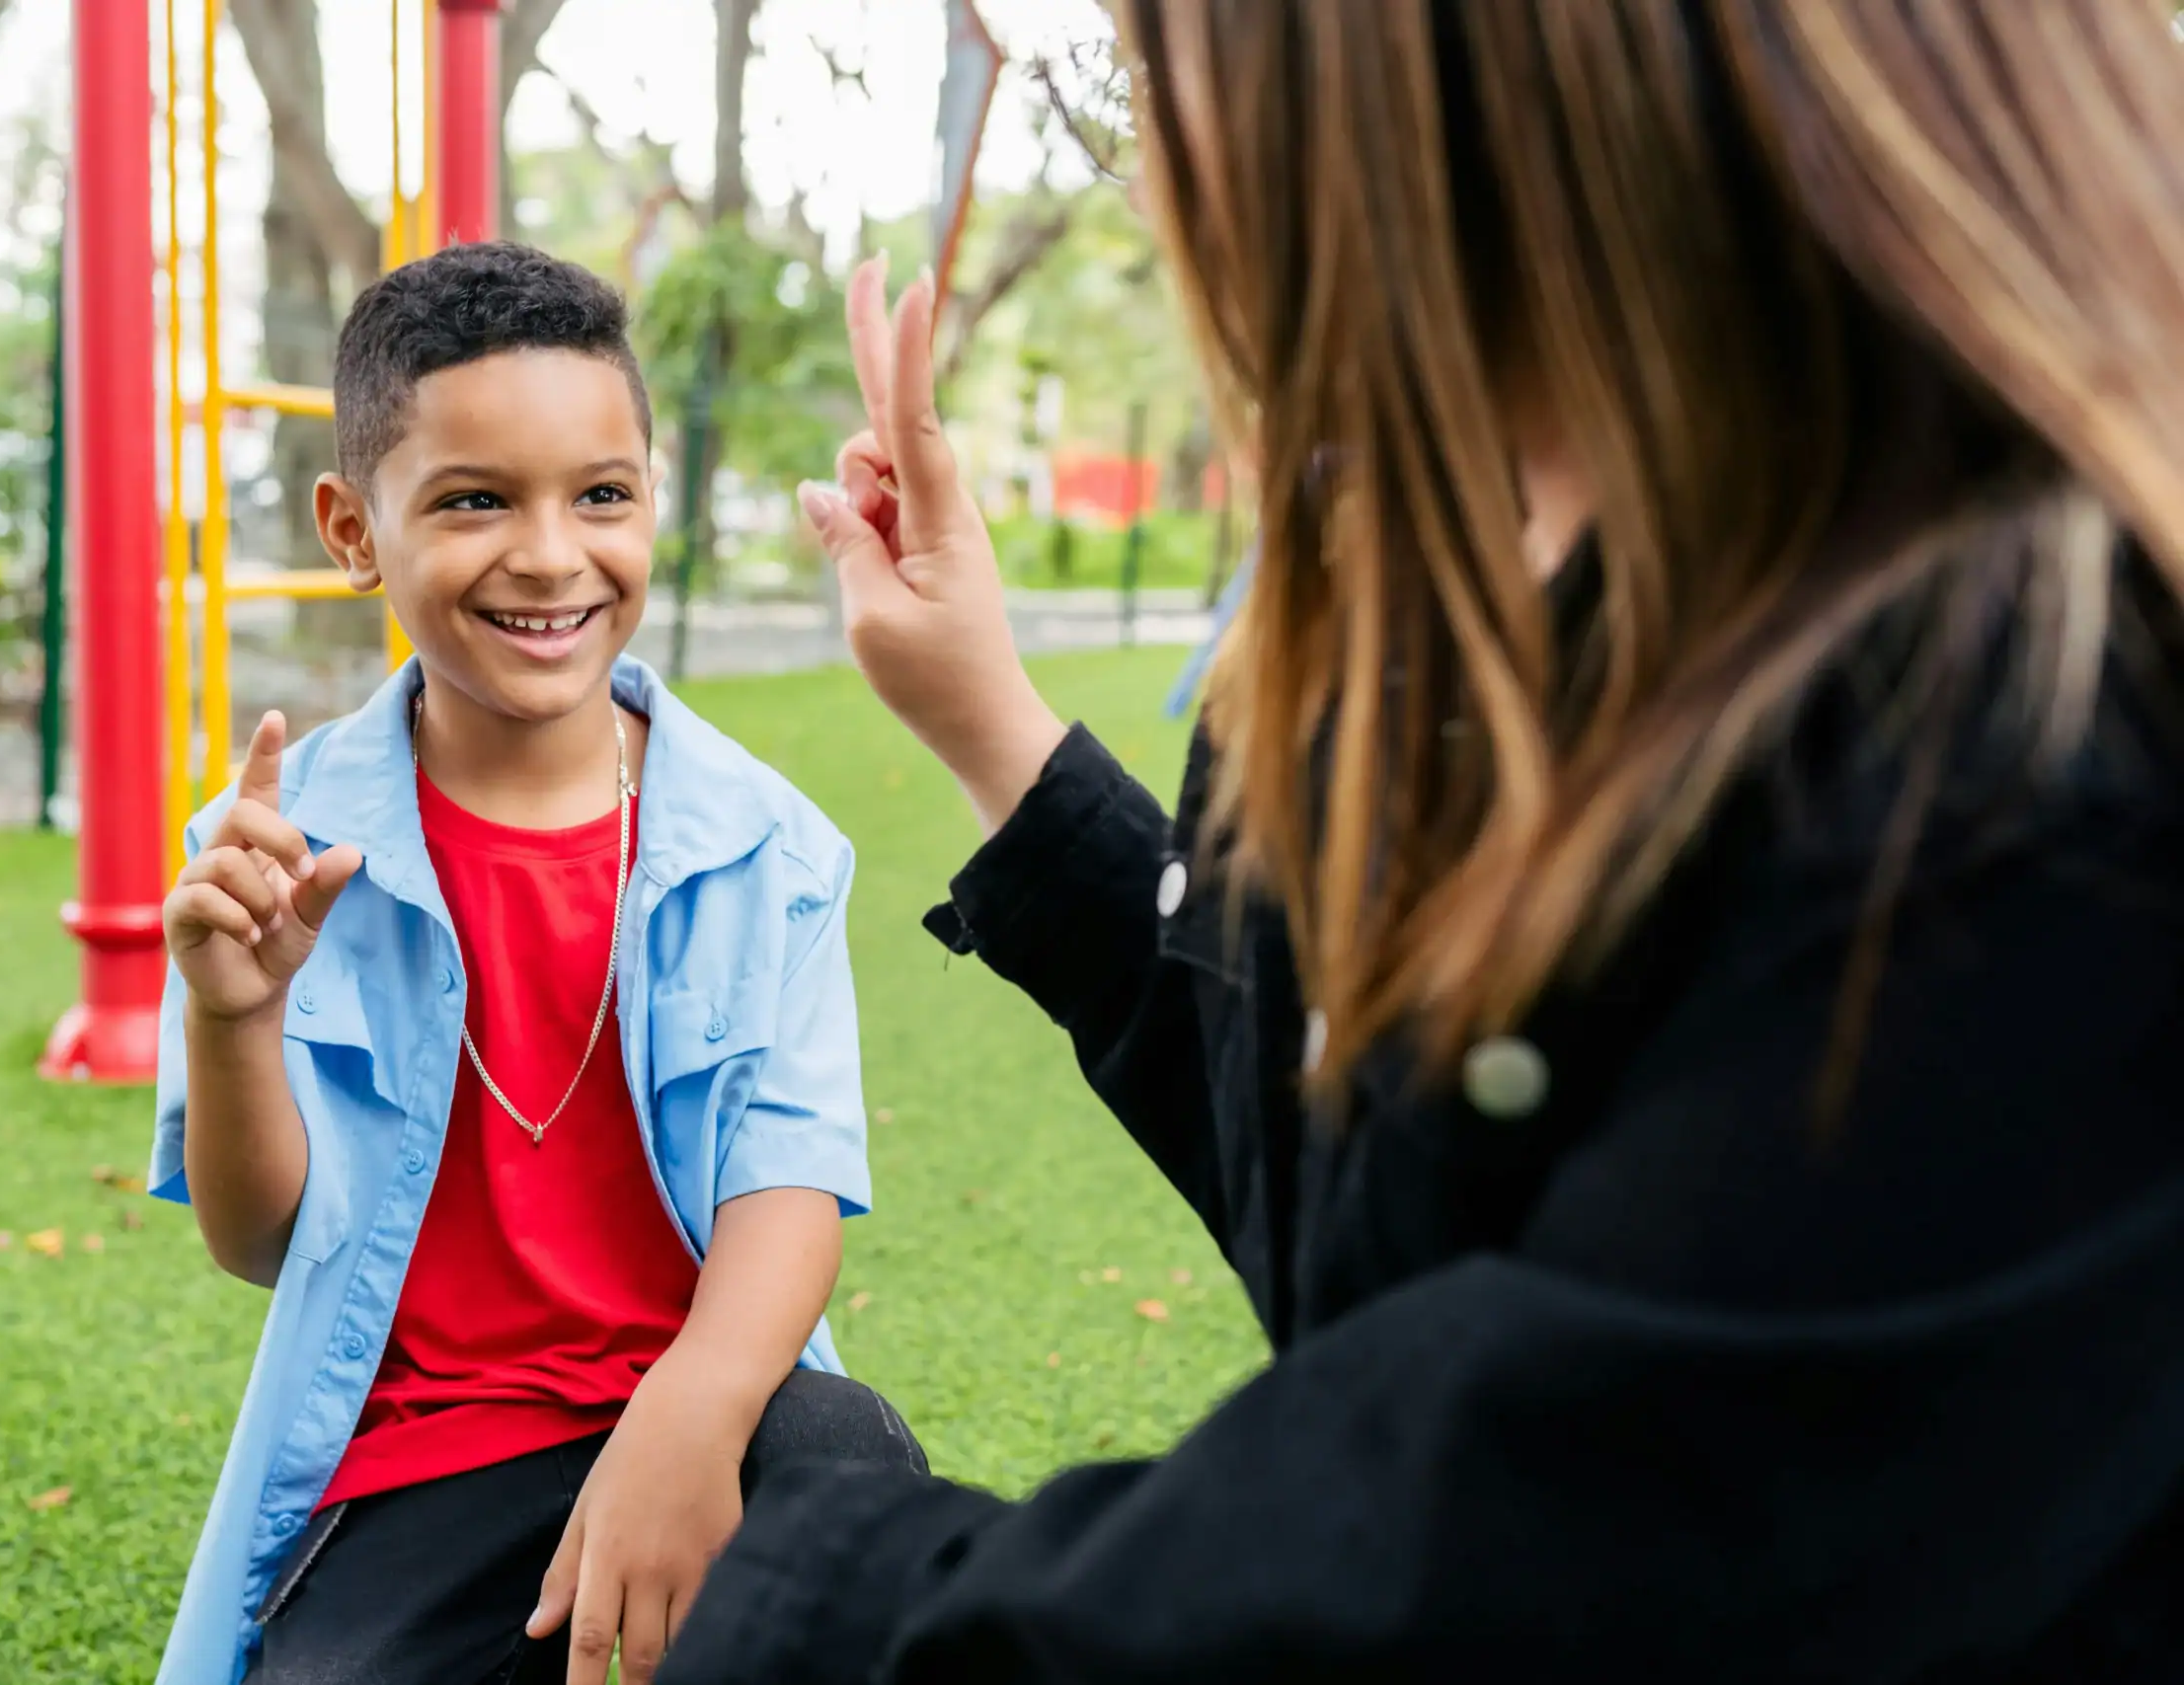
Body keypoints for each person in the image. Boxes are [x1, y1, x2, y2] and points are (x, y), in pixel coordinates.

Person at [662, 3, 2184, 1680]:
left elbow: (1529, 1565)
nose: (1160, 167)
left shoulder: (2032, 766)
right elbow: (1359, 1190)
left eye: (1158, 62)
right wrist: (990, 727)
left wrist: (801, 1576)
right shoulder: (1450, 604)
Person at [147, 243, 923, 1685]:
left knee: (846, 1462)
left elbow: (789, 1190)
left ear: (652, 498)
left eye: (601, 494)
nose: (554, 554)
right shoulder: (267, 854)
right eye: (475, 500)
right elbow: (261, 1241)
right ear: (353, 530)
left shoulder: (768, 848)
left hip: (710, 1404)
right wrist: (235, 1018)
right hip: (425, 1462)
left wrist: (686, 1419)